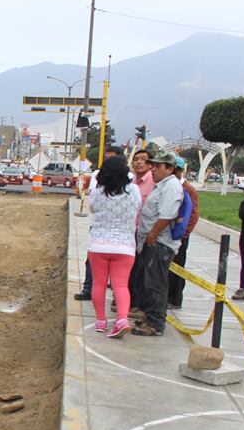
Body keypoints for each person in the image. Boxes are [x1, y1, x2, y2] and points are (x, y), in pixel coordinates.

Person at [87, 156, 142, 338]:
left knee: (99, 284)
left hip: (99, 244)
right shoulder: (133, 190)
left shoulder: (98, 192)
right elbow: (138, 208)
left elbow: (92, 209)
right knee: (120, 285)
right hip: (125, 246)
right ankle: (122, 319)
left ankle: (101, 321)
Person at [131, 153, 184, 336]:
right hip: (151, 241)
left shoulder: (171, 186)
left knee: (156, 283)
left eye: (158, 166)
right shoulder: (162, 185)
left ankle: (155, 324)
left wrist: (152, 235)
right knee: (149, 281)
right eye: (152, 166)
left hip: (160, 243)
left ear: (169, 169)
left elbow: (167, 214)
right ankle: (150, 316)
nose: (153, 169)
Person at [76, 145, 125, 301]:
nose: (108, 162)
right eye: (106, 158)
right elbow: (92, 203)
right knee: (91, 262)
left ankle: (117, 297)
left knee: (118, 271)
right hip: (99, 229)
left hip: (122, 233)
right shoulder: (97, 176)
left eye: (112, 159)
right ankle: (88, 289)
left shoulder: (128, 181)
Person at [167, 156, 199, 309]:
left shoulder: (188, 189)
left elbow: (193, 214)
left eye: (174, 170)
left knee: (177, 266)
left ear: (179, 171)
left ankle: (175, 298)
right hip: (167, 234)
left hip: (179, 236)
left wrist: (184, 233)